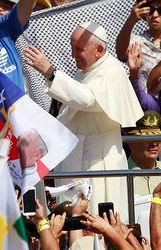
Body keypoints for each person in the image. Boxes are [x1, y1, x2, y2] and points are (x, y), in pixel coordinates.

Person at [24, 22, 143, 216]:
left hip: (99, 162)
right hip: (77, 159)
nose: (72, 54)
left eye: (78, 49)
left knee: (97, 218)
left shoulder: (110, 71)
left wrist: (50, 72)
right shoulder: (86, 71)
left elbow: (87, 99)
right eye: (72, 48)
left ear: (99, 50)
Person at [116, 0, 161, 91]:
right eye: (150, 10)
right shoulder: (136, 42)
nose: (154, 15)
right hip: (146, 102)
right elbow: (121, 52)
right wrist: (130, 21)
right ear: (144, 14)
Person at [124, 111, 161, 197]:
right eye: (147, 139)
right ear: (131, 143)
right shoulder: (120, 174)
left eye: (158, 138)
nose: (154, 144)